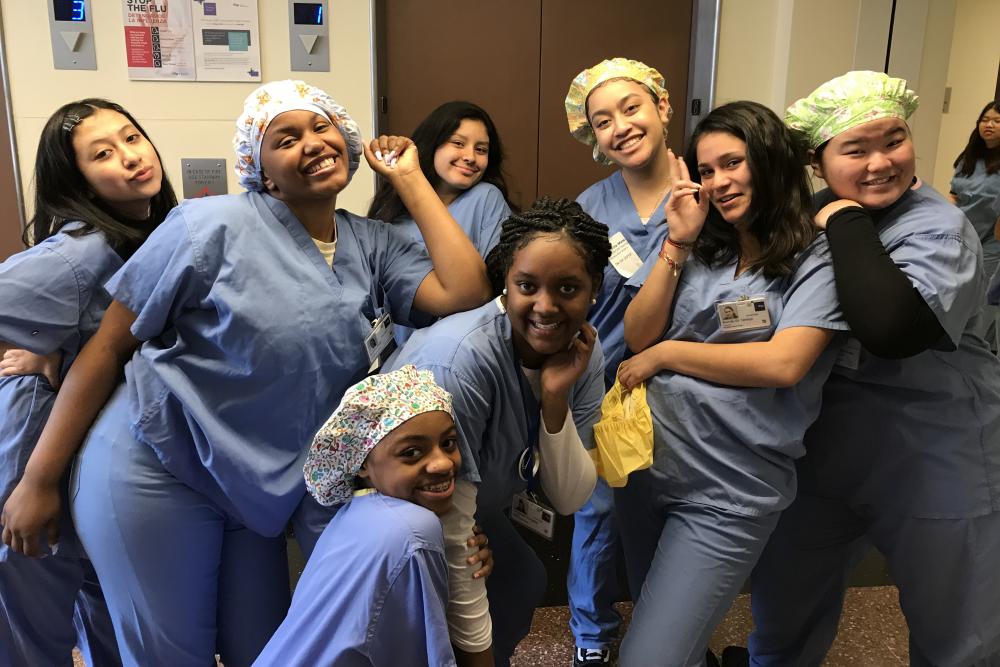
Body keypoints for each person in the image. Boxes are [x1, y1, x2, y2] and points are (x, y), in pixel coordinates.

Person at [0, 79, 491, 666]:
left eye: (321, 127)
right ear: (261, 171)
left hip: (258, 489)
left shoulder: (372, 243)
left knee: (265, 649)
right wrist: (38, 479)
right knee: (167, 656)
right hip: (155, 466)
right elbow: (105, 351)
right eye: (285, 138)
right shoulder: (205, 227)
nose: (311, 142)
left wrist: (410, 177)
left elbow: (465, 289)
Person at [743, 71, 1000, 667]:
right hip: (824, 449)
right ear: (816, 159)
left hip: (936, 452)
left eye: (895, 141)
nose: (881, 163)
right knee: (783, 608)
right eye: (855, 149)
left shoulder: (937, 227)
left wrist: (842, 217)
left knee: (957, 633)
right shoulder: (796, 217)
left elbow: (891, 329)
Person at [616, 100, 847, 666]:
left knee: (651, 657)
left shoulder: (815, 259)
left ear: (768, 161)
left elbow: (782, 365)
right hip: (647, 472)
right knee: (669, 639)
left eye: (733, 163)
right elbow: (637, 334)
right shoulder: (702, 245)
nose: (718, 182)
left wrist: (672, 352)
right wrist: (678, 243)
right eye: (707, 170)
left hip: (726, 489)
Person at [389, 197, 611, 666]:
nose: (546, 307)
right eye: (527, 285)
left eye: (568, 288)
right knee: (427, 627)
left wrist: (554, 401)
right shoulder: (460, 361)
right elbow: (449, 528)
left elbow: (570, 496)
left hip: (463, 504)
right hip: (399, 518)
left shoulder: (582, 356)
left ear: (595, 292)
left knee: (519, 578)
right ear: (505, 285)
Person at [0, 98, 176, 666]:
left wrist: (55, 355)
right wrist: (51, 360)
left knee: (103, 615)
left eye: (131, 137)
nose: (129, 157)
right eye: (103, 153)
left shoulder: (152, 231)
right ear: (78, 182)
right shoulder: (82, 251)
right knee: (32, 632)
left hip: (94, 462)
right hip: (34, 460)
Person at [255, 366, 492, 667]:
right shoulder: (414, 531)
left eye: (448, 443)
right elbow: (428, 657)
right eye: (411, 453)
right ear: (362, 463)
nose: (441, 463)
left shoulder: (352, 516)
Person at [562, 57, 674, 665]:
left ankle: (668, 626)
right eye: (602, 121)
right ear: (594, 138)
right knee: (598, 509)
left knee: (670, 508)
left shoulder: (704, 185)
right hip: (604, 379)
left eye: (631, 107)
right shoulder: (593, 203)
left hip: (683, 377)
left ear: (663, 106)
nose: (620, 126)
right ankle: (591, 634)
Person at [369, 100, 514, 347]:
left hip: (467, 348)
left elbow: (498, 291)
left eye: (481, 150)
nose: (469, 157)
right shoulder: (392, 215)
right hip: (403, 358)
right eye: (458, 143)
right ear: (432, 144)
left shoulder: (485, 198)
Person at [951, 100, 1000, 345]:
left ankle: (975, 348)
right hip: (962, 233)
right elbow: (954, 192)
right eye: (985, 119)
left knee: (984, 296)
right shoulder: (969, 156)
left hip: (993, 240)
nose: (989, 125)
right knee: (960, 288)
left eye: (997, 121)